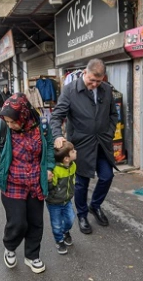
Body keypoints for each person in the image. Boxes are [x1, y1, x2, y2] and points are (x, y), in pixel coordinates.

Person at [0, 93, 54, 273]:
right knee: (18, 222)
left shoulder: (41, 126)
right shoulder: (3, 124)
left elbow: (48, 146)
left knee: (36, 222)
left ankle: (32, 256)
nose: (10, 125)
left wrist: (49, 167)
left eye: (13, 122)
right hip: (12, 182)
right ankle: (10, 247)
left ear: (24, 115)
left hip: (36, 182)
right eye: (7, 122)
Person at [50, 58, 117, 235]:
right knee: (81, 183)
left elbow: (113, 114)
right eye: (92, 80)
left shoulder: (107, 89)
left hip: (102, 142)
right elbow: (56, 116)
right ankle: (82, 214)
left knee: (106, 176)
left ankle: (95, 205)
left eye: (98, 81)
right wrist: (57, 135)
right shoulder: (70, 91)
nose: (94, 84)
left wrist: (109, 132)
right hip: (80, 144)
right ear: (84, 73)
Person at [46, 141, 77, 254]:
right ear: (66, 159)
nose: (76, 152)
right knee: (56, 223)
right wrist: (49, 181)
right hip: (54, 202)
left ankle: (65, 232)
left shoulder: (73, 166)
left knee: (70, 219)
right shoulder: (55, 170)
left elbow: (72, 180)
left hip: (67, 200)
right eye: (73, 151)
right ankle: (59, 240)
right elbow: (50, 187)